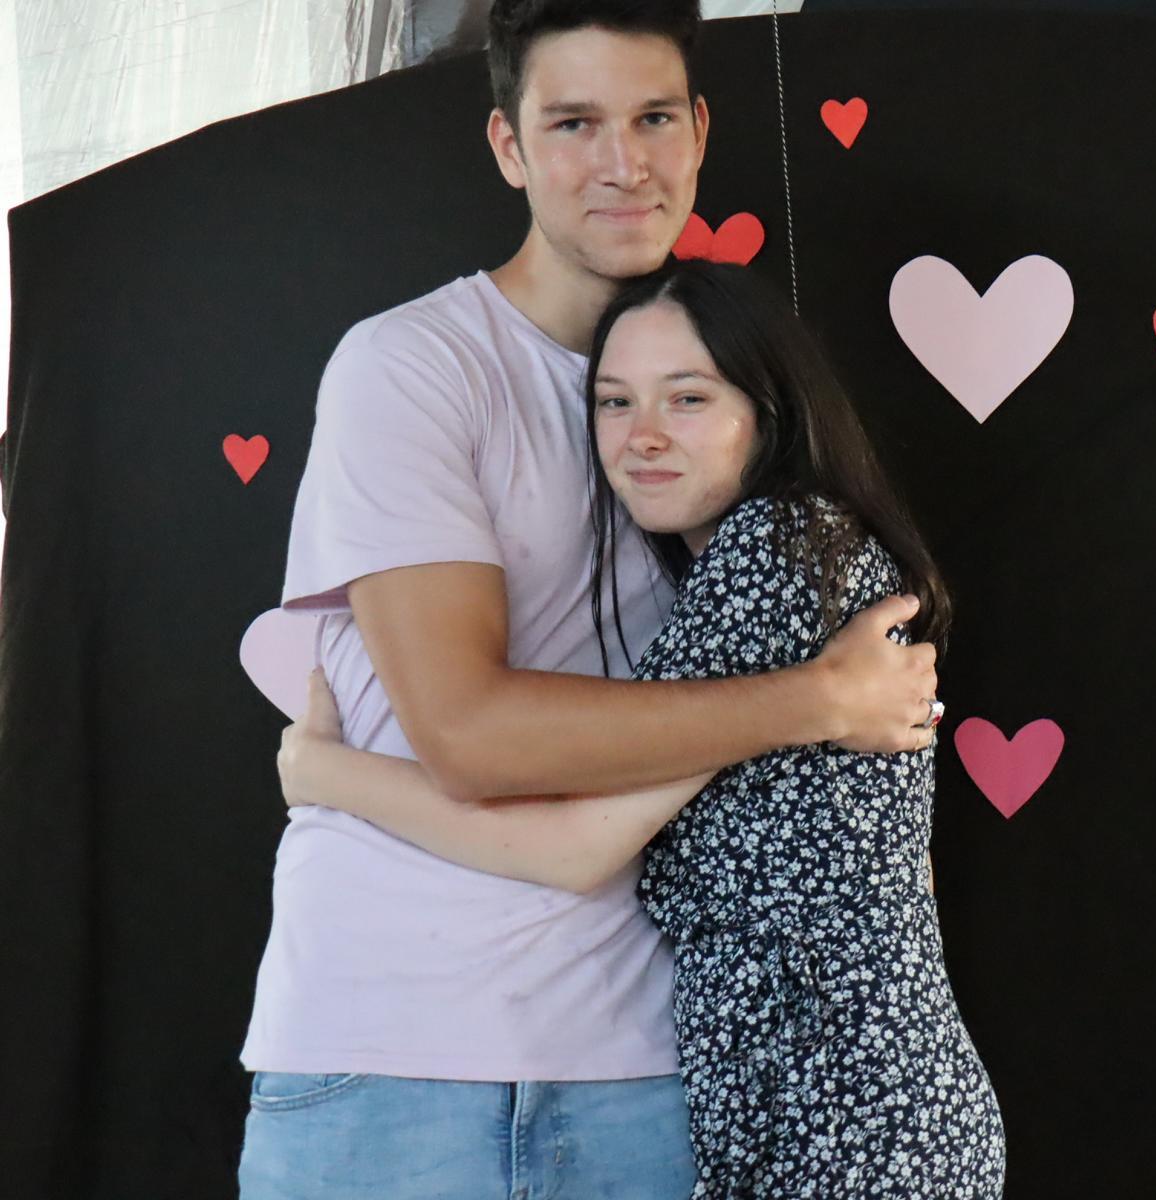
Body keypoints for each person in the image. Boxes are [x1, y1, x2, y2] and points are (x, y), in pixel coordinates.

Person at [237, 3, 938, 1197]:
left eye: (653, 118)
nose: (623, 163)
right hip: (394, 1055)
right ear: (508, 146)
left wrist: (327, 771)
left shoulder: (741, 409)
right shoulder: (413, 367)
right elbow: (469, 732)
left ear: (700, 132)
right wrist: (818, 700)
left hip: (650, 1068)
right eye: (573, 124)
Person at [278, 260, 1006, 1197]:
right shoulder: (770, 565)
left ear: (771, 413)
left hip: (851, 1122)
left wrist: (327, 774)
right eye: (614, 402)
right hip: (830, 1107)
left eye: (689, 398)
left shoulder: (779, 553)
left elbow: (576, 845)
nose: (643, 436)